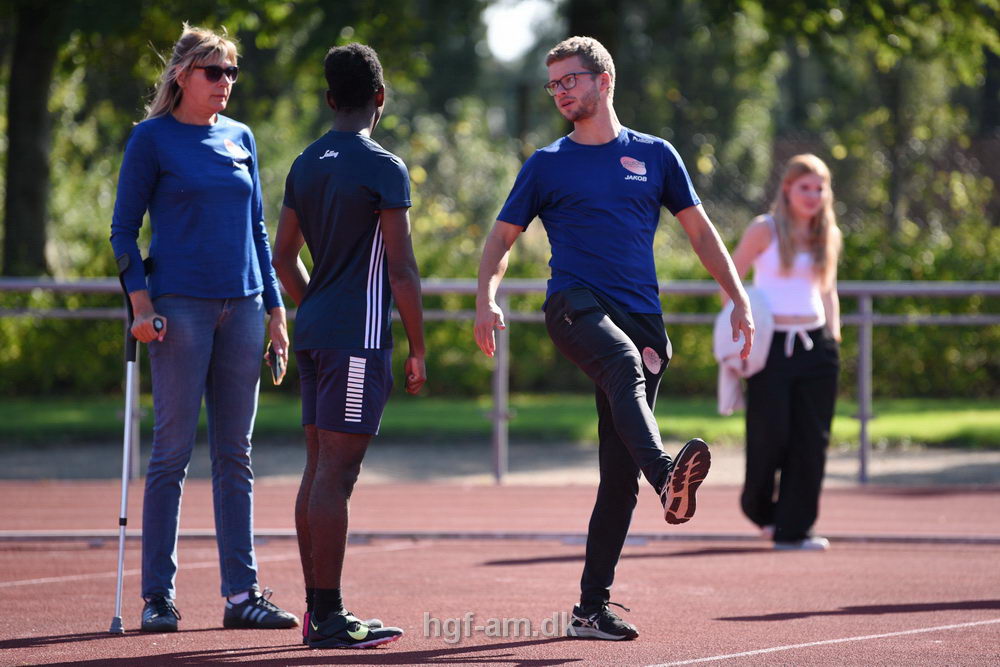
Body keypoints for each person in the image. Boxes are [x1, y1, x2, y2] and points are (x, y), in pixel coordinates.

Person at [474, 36, 754, 641]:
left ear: (604, 80)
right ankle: (666, 475)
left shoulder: (656, 156)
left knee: (615, 476)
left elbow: (703, 235)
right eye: (552, 85)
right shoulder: (546, 163)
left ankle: (589, 609)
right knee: (623, 366)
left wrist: (739, 296)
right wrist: (485, 297)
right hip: (574, 305)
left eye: (569, 80)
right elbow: (499, 241)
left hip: (642, 317)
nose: (560, 92)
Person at [109, 25, 299, 632]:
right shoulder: (151, 139)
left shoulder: (241, 137)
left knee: (235, 456)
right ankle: (157, 597)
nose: (226, 83)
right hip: (179, 310)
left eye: (232, 73)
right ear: (182, 75)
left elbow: (259, 231)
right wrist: (140, 305)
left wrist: (275, 308)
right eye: (215, 72)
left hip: (243, 307)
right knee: (170, 454)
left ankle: (241, 596)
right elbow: (123, 232)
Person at [271, 43, 426, 650]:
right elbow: (403, 269)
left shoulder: (305, 163)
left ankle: (317, 614)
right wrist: (417, 347)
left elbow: (283, 257)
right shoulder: (384, 166)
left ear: (330, 99)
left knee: (316, 471)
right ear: (379, 97)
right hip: (356, 341)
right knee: (337, 473)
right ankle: (329, 618)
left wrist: (314, 308)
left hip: (314, 335)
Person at [729, 154, 842, 551]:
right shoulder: (765, 229)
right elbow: (730, 276)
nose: (813, 195)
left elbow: (828, 289)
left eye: (819, 188)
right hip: (770, 346)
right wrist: (741, 327)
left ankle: (794, 528)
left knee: (811, 441)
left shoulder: (827, 233)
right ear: (787, 190)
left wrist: (834, 337)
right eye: (804, 187)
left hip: (816, 347)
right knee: (769, 434)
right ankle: (759, 508)